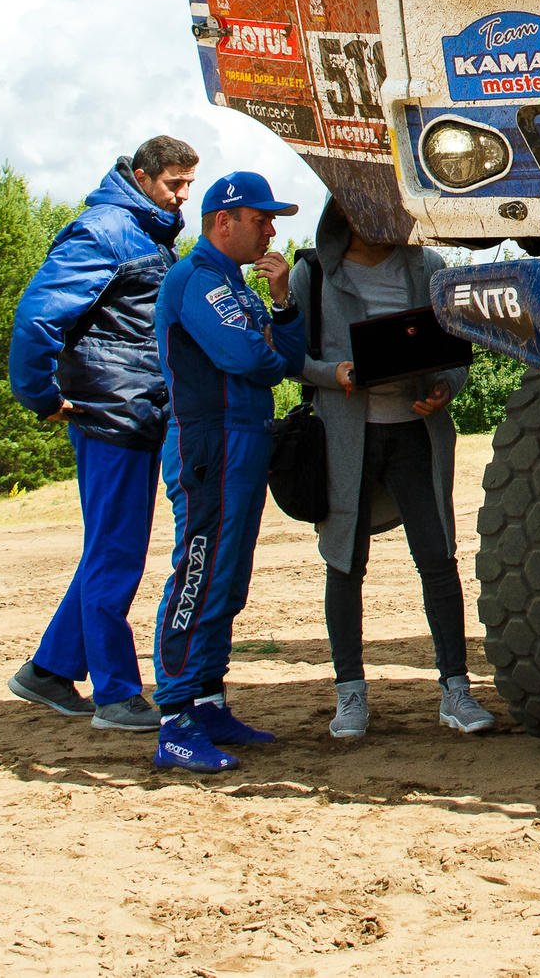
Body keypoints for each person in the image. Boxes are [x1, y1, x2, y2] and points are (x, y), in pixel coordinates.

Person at [2, 135, 201, 732]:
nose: (182, 196)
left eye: (189, 185)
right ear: (142, 176)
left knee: (108, 550)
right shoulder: (106, 230)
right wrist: (39, 396)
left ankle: (49, 671)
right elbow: (38, 315)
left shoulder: (146, 232)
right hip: (107, 410)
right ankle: (116, 694)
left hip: (134, 408)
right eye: (173, 185)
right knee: (115, 554)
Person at [294, 200, 493, 739]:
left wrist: (444, 388)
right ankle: (350, 696)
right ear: (348, 214)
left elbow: (458, 352)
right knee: (344, 562)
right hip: (346, 438)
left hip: (416, 433)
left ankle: (457, 690)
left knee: (438, 557)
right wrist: (334, 373)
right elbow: (291, 357)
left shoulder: (428, 268)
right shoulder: (309, 274)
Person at [147, 171, 307, 773]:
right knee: (200, 572)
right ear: (224, 221)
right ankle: (174, 718)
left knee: (229, 579)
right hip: (206, 439)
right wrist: (262, 349)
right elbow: (249, 359)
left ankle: (209, 700)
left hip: (245, 437)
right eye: (261, 219)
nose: (270, 230)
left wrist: (282, 304)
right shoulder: (194, 279)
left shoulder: (237, 285)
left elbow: (283, 359)